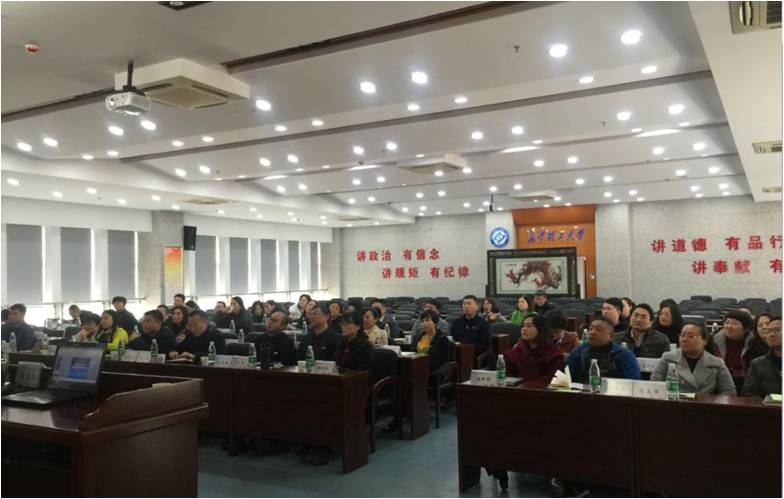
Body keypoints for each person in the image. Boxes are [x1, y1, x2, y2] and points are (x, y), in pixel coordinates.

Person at [651, 322, 736, 395]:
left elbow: (729, 391)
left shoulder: (716, 363)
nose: (684, 339)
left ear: (704, 341)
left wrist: (712, 402)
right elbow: (654, 385)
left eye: (690, 336)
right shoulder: (668, 358)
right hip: (674, 405)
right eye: (682, 335)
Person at [566, 317, 641, 383]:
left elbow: (633, 383)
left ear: (611, 335)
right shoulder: (579, 351)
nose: (592, 332)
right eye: (590, 329)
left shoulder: (624, 355)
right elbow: (566, 378)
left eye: (599, 329)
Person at [505, 315, 565, 385]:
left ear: (541, 329)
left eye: (529, 326)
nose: (524, 329)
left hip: (544, 391)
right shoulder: (513, 354)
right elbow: (508, 380)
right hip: (517, 390)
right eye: (523, 326)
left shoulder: (555, 354)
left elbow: (553, 380)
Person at [742, 317, 782, 398]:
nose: (772, 334)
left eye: (778, 330)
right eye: (769, 331)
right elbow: (749, 394)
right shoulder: (757, 364)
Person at [713, 310, 754, 374]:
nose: (729, 326)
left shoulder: (754, 343)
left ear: (746, 329)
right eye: (727, 323)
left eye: (734, 324)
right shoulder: (715, 342)